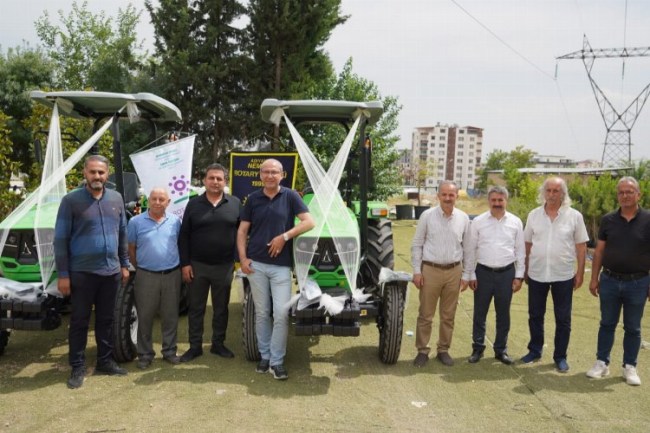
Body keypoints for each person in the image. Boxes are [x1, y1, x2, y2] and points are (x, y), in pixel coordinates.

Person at [54, 155, 130, 389]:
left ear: (107, 174)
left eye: (101, 172)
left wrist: (124, 264)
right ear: (85, 173)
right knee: (80, 320)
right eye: (93, 172)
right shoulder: (71, 201)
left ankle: (104, 361)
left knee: (107, 319)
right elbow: (60, 239)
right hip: (82, 273)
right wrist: (63, 275)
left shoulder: (116, 198)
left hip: (111, 272)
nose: (97, 176)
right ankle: (77, 366)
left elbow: (122, 233)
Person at [237, 158, 315, 380]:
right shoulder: (253, 199)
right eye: (266, 172)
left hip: (281, 266)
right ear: (260, 175)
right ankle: (265, 356)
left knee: (280, 313)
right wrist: (243, 259)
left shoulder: (290, 196)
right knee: (262, 313)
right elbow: (242, 231)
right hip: (257, 265)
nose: (270, 175)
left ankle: (277, 361)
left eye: (274, 172)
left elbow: (309, 222)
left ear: (282, 175)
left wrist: (285, 236)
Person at [587, 176, 650, 386]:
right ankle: (602, 363)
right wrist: (594, 278)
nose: (625, 196)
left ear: (638, 194)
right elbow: (599, 252)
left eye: (629, 192)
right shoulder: (608, 220)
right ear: (617, 196)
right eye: (621, 192)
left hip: (638, 282)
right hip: (610, 280)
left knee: (633, 327)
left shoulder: (648, 219)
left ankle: (629, 366)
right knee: (607, 323)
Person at [521, 177, 589, 372]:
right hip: (537, 273)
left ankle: (560, 356)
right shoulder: (534, 215)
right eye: (548, 190)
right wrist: (525, 269)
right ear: (544, 192)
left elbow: (581, 247)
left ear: (563, 193)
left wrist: (580, 273)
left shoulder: (574, 216)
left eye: (556, 191)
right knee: (535, 315)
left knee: (563, 319)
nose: (551, 194)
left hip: (563, 275)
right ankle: (535, 350)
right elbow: (527, 244)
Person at [178, 163, 241, 362]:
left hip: (224, 266)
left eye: (219, 179)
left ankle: (218, 344)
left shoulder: (235, 203)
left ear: (225, 182)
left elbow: (243, 233)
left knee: (221, 308)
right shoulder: (193, 204)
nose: (215, 182)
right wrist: (185, 264)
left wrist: (239, 259)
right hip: (197, 266)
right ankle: (195, 347)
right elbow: (184, 235)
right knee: (196, 308)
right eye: (211, 178)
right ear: (204, 181)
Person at [411, 181, 471, 368]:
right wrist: (417, 271)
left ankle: (443, 350)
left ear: (457, 196)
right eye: (444, 194)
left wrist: (466, 275)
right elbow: (417, 244)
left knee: (448, 315)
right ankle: (422, 351)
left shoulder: (463, 218)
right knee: (425, 314)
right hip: (430, 270)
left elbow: (468, 249)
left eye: (451, 195)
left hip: (454, 271)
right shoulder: (427, 216)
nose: (447, 198)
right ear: (438, 196)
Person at [464, 185, 525, 365]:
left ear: (506, 200)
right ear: (489, 201)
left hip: (507, 274)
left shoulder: (516, 222)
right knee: (479, 313)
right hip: (483, 273)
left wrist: (519, 276)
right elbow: (471, 249)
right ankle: (478, 348)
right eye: (494, 200)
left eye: (500, 200)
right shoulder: (478, 221)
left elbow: (520, 251)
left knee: (503, 314)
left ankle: (500, 350)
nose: (497, 203)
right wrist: (471, 274)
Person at [127, 187, 182, 369]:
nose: (157, 202)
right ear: (148, 200)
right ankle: (145, 354)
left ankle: (169, 351)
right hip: (146, 275)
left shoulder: (175, 221)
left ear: (168, 202)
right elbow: (131, 249)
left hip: (172, 275)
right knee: (145, 316)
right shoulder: (135, 222)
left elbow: (178, 245)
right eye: (154, 199)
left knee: (170, 315)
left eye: (161, 199)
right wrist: (141, 267)